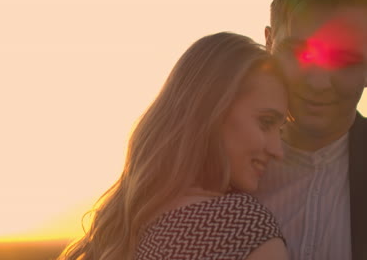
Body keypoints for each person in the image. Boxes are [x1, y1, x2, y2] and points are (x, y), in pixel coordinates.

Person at [57, 32, 289, 260]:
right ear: (213, 110)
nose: (277, 151)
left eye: (280, 131)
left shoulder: (122, 223)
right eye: (265, 122)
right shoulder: (245, 226)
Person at [254, 0, 367, 260]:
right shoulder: (215, 170)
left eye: (344, 60)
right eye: (299, 53)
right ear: (269, 43)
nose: (318, 83)